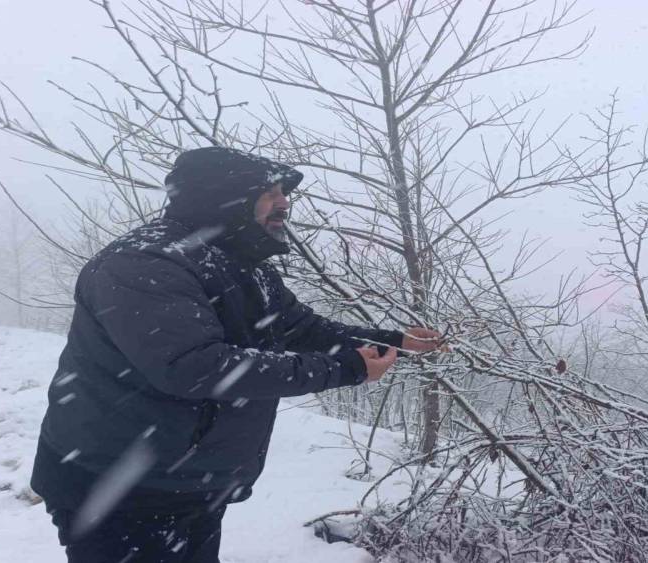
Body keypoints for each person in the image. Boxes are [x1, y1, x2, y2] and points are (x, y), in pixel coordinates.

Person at [30, 146, 442, 562]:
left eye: (284, 192)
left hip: (187, 480)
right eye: (270, 191)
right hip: (118, 489)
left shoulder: (241, 264)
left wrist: (394, 340)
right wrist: (344, 368)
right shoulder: (144, 263)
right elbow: (195, 367)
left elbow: (301, 329)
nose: (285, 202)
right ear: (224, 196)